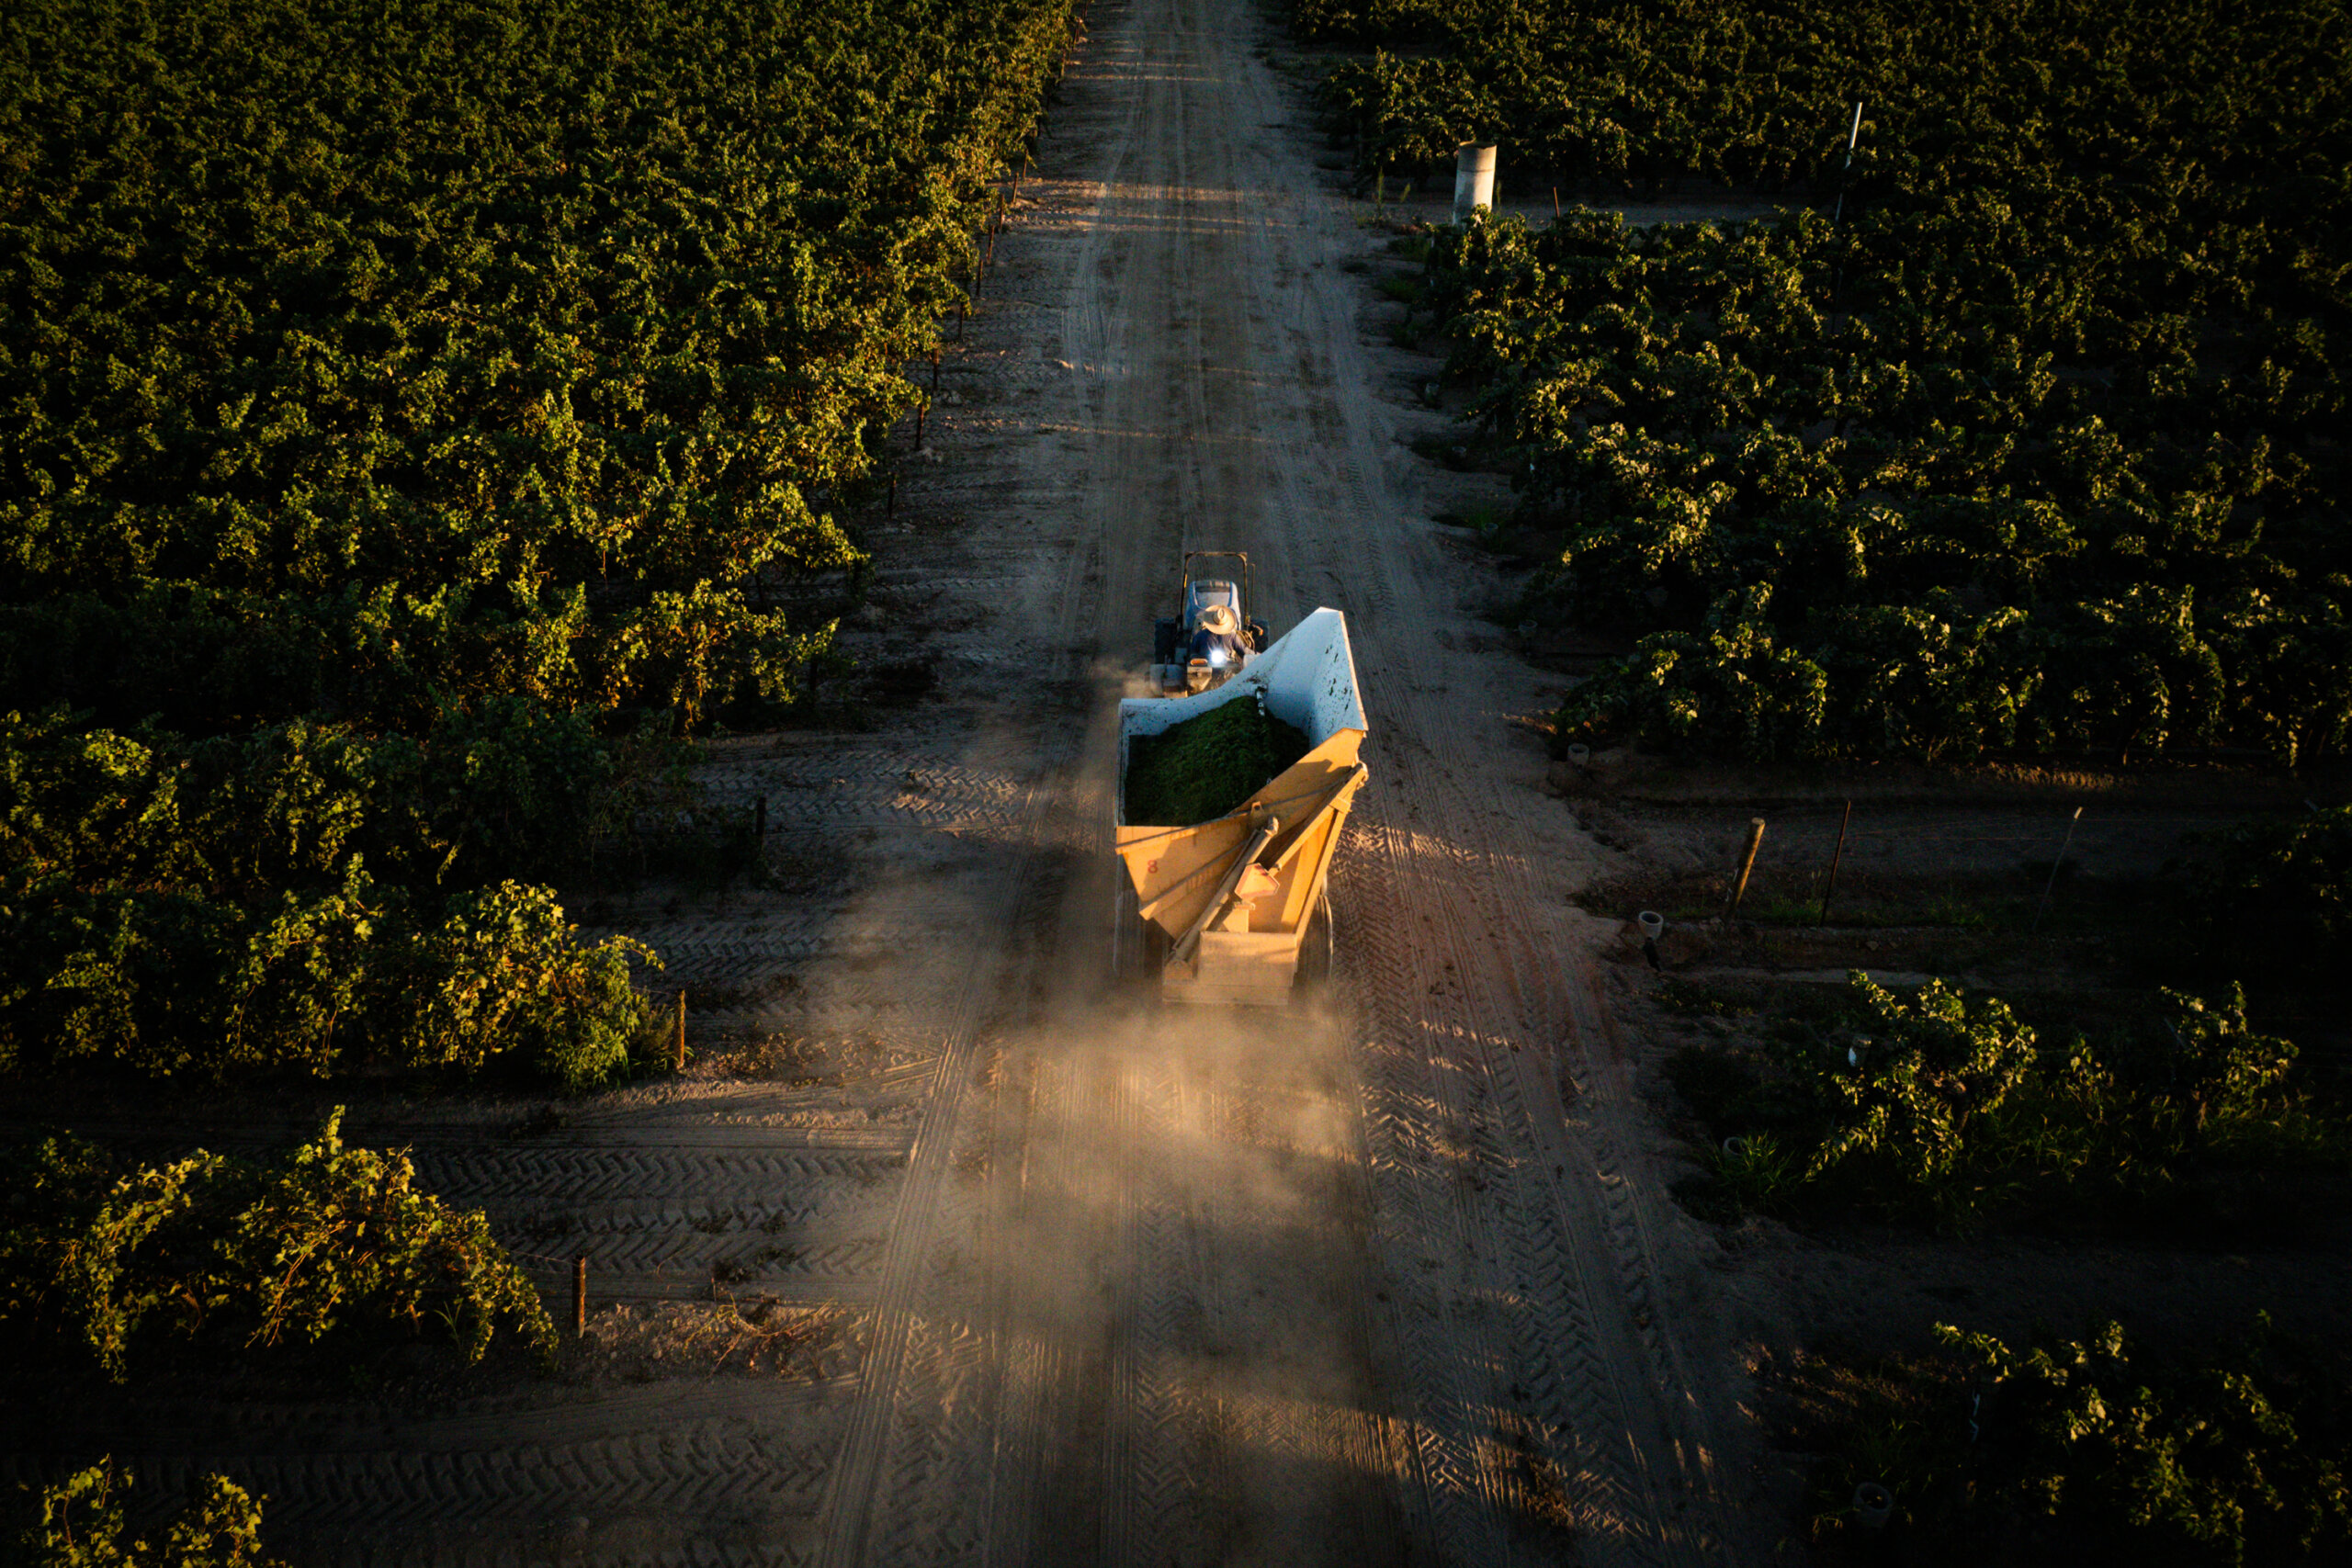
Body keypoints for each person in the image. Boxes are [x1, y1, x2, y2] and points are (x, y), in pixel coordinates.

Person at [1188, 603, 1250, 671]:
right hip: (1227, 671)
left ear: (1211, 620)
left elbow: (1192, 652)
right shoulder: (1232, 636)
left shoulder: (1201, 635)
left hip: (1205, 670)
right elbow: (1245, 652)